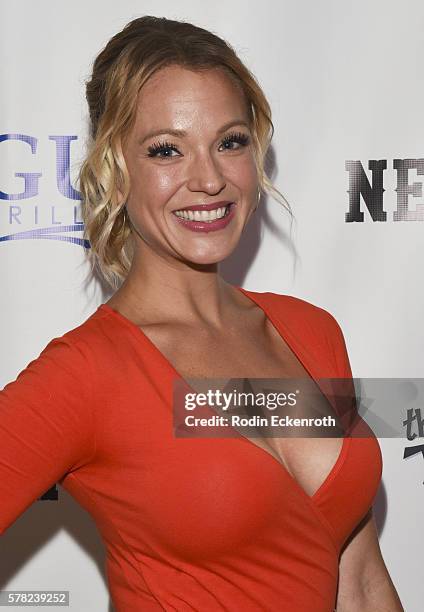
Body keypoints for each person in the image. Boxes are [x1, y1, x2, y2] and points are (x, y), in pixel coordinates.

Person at [0, 15, 403, 612]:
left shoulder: (311, 332)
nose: (209, 178)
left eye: (230, 142)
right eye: (167, 150)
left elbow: (360, 574)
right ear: (116, 165)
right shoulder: (88, 375)